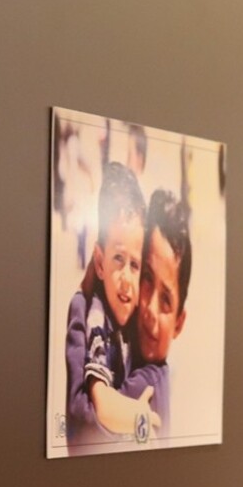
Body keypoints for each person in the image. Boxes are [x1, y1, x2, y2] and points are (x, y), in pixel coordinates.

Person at [65, 161, 157, 442]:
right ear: (99, 262)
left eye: (135, 264)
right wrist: (140, 417)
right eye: (118, 259)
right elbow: (101, 404)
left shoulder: (136, 316)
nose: (126, 278)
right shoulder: (92, 314)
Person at [91, 189, 192, 440]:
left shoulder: (143, 385)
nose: (149, 309)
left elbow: (84, 417)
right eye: (146, 277)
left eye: (166, 300)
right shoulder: (130, 355)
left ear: (179, 323)